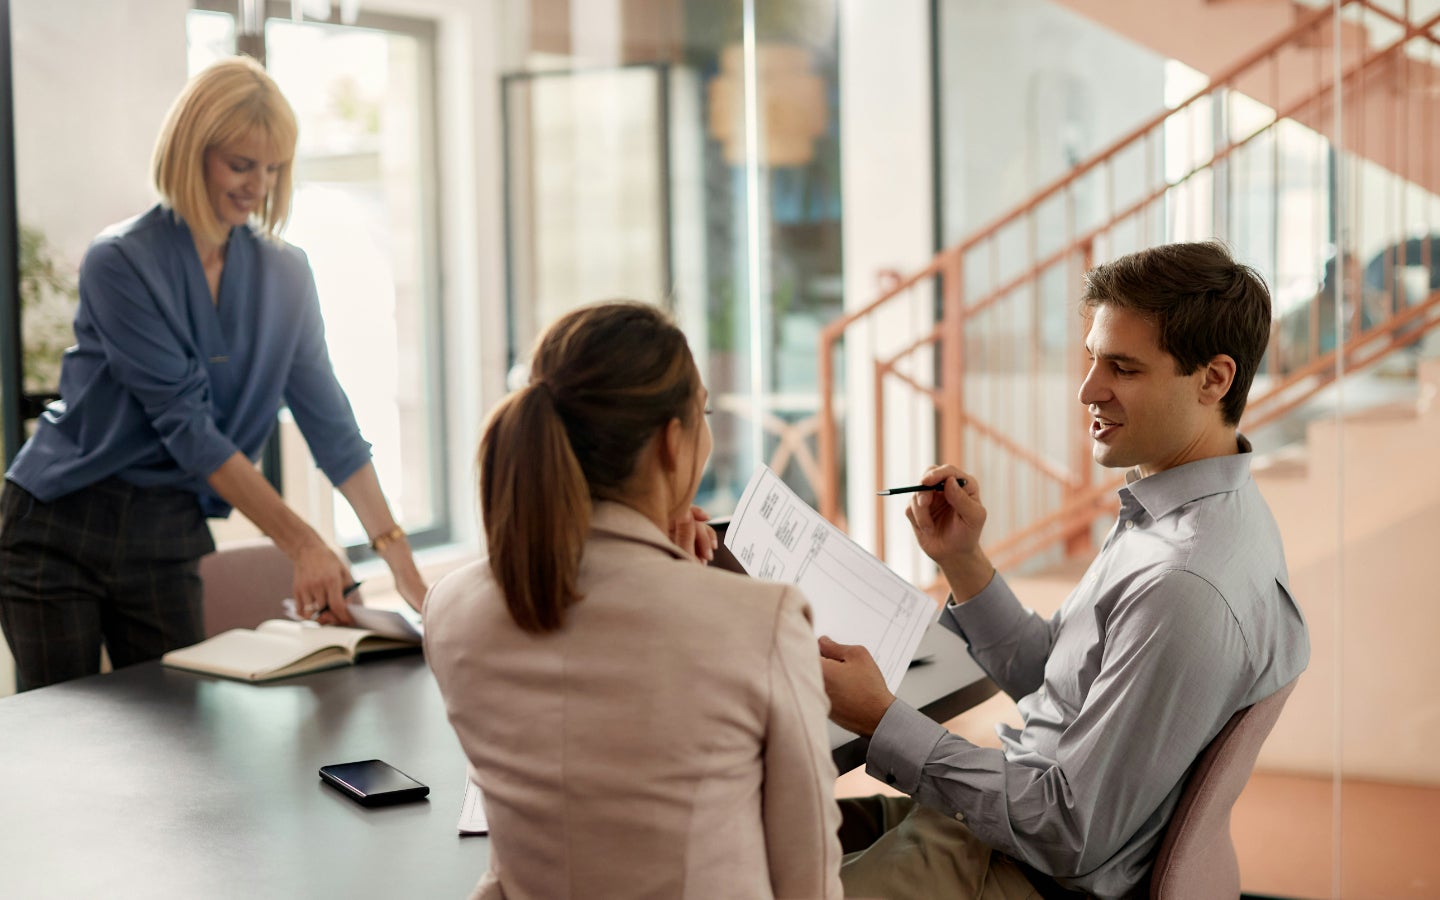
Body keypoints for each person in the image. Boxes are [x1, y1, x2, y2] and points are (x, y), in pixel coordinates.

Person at [820, 241, 1310, 899]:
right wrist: (964, 561)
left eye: (1123, 368)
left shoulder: (1183, 583)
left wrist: (884, 721)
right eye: (1091, 359)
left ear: (1213, 379)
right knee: (760, 835)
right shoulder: (1172, 510)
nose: (1088, 390)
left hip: (1026, 868)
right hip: (996, 828)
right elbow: (1057, 679)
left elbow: (1070, 829)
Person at [0, 56, 427, 692]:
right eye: (240, 163)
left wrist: (406, 568)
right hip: (64, 522)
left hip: (169, 526)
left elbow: (331, 423)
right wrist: (304, 543)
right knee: (65, 735)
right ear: (192, 154)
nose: (257, 185)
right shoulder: (121, 262)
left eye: (273, 167)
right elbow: (189, 430)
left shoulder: (287, 274)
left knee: (183, 738)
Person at [424, 301, 843, 900]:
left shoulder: (450, 607)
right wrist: (684, 582)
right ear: (672, 445)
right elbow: (809, 884)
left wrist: (669, 566)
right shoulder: (760, 622)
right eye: (702, 414)